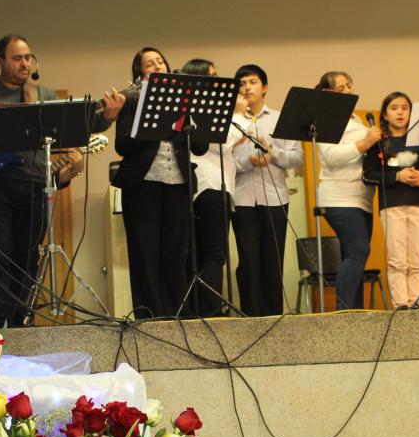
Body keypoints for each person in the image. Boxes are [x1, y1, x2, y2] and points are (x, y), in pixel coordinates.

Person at [0, 34, 110, 326]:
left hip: (34, 187)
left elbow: (78, 127)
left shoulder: (43, 95)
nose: (25, 63)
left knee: (27, 257)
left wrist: (109, 117)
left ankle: (19, 322)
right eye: (17, 58)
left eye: (28, 57)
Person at [111, 47, 209, 318]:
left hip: (178, 184)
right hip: (142, 186)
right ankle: (150, 317)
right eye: (149, 64)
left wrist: (192, 118)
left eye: (160, 61)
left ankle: (177, 315)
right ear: (140, 72)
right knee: (145, 254)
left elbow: (199, 147)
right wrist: (152, 125)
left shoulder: (184, 100)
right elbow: (122, 145)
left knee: (176, 253)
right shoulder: (131, 101)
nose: (157, 66)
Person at [231, 64, 304, 317]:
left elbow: (297, 158)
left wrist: (272, 154)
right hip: (241, 200)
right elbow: (223, 161)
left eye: (252, 82)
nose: (247, 87)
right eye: (241, 83)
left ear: (265, 87)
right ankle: (250, 318)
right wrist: (247, 162)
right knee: (248, 261)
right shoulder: (232, 121)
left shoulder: (280, 118)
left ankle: (274, 317)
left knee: (273, 262)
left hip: (276, 199)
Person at [182, 58, 249, 317]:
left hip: (205, 186)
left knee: (199, 254)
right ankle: (210, 312)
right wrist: (240, 114)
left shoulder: (192, 105)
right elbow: (223, 141)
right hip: (211, 185)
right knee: (213, 253)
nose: (219, 80)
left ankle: (198, 310)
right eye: (213, 75)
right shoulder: (206, 107)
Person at [315, 71, 380, 310]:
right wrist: (365, 143)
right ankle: (343, 313)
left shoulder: (355, 119)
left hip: (361, 197)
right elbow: (331, 157)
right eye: (341, 89)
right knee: (358, 251)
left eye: (349, 86)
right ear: (328, 94)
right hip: (340, 197)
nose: (348, 91)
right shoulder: (328, 118)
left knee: (355, 256)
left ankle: (355, 313)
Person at [364, 92, 419, 309]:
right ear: (385, 113)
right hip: (392, 206)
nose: (400, 112)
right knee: (397, 260)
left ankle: (417, 303)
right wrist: (397, 176)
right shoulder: (379, 142)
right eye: (394, 108)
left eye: (404, 107)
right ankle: (401, 304)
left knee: (418, 259)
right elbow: (368, 175)